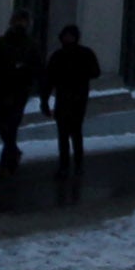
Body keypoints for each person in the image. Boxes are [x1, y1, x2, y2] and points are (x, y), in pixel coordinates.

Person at [0, 13, 42, 167]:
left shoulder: (30, 44)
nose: (20, 24)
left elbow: (37, 66)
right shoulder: (2, 43)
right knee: (3, 123)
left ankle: (8, 158)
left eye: (23, 21)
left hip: (19, 89)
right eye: (18, 21)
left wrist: (27, 76)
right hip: (3, 88)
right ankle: (11, 151)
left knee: (11, 123)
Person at [45, 21, 102, 166]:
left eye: (70, 36)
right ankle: (66, 164)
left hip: (77, 98)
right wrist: (44, 99)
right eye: (66, 36)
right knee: (64, 133)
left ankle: (77, 163)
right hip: (65, 98)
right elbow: (49, 79)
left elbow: (95, 72)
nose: (68, 39)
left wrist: (79, 74)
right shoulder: (59, 55)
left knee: (74, 131)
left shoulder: (83, 54)